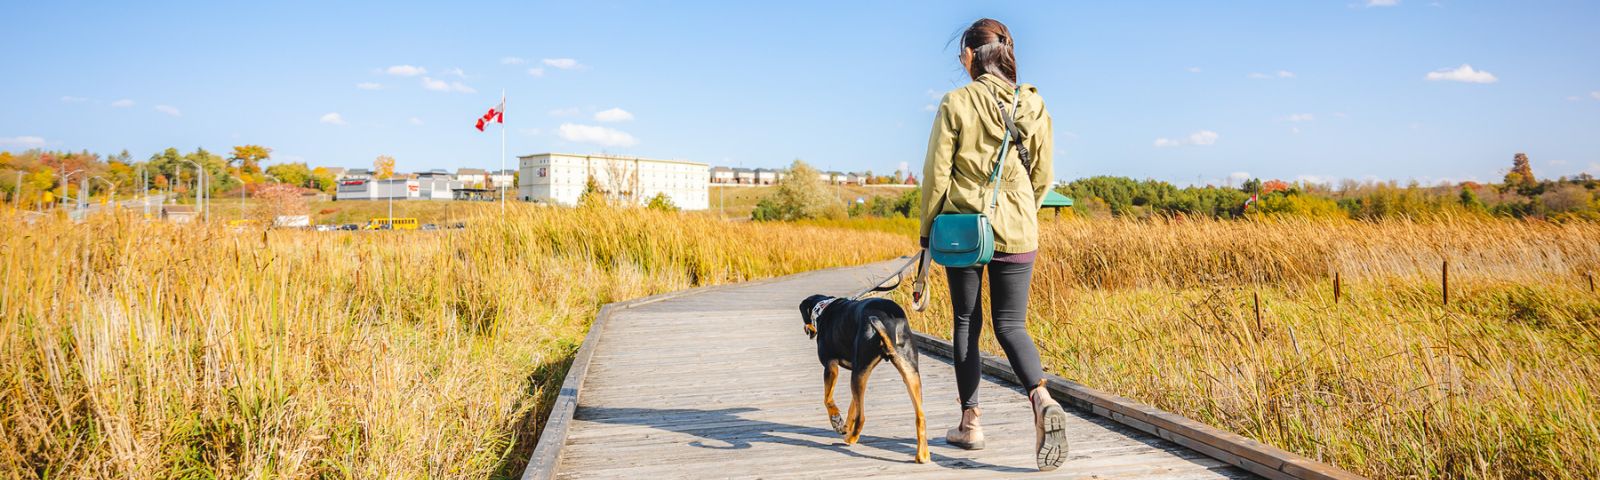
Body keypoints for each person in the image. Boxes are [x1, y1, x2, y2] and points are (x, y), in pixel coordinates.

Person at [918, 18, 1065, 471]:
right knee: (1011, 325)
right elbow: (1042, 174)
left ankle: (971, 423)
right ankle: (1040, 398)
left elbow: (936, 177)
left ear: (970, 56)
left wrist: (927, 237)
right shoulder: (1033, 105)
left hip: (964, 229)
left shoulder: (956, 102)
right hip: (1020, 227)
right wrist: (1020, 210)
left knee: (966, 321)